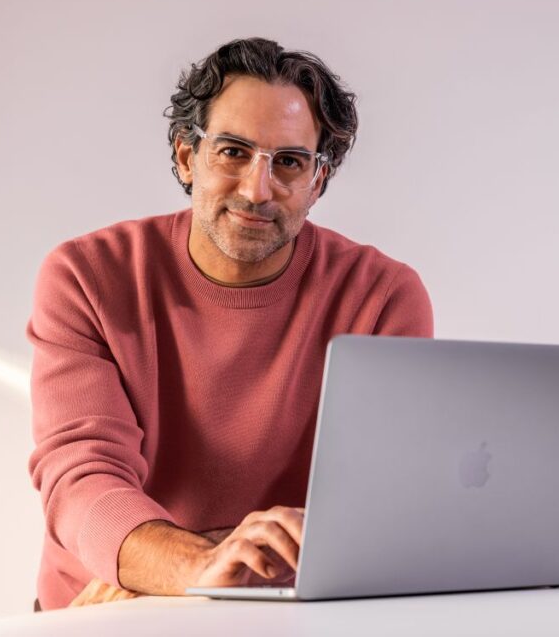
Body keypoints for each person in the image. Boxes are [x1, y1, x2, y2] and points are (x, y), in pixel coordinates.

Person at [27, 37, 433, 610]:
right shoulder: (87, 276)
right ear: (187, 157)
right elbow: (81, 475)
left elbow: (381, 500)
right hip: (108, 606)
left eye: (289, 162)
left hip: (282, 608)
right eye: (233, 152)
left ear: (317, 182)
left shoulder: (383, 295)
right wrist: (190, 567)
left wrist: (183, 570)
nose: (256, 189)